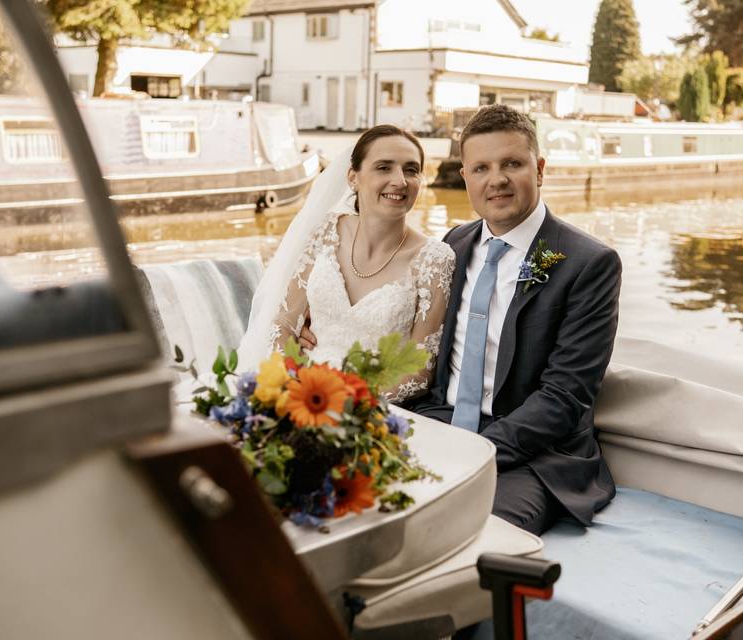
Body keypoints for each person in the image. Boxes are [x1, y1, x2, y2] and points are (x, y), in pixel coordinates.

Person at [405, 104, 622, 535]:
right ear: (465, 177)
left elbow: (565, 396)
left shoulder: (589, 263)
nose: (497, 180)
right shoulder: (454, 242)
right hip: (443, 422)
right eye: (481, 167)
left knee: (471, 532)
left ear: (539, 169)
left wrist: (474, 450)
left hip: (536, 454)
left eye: (512, 164)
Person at [238, 125, 455, 402]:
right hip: (302, 392)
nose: (400, 180)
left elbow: (418, 372)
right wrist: (295, 382)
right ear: (353, 177)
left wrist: (348, 406)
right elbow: (283, 323)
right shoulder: (325, 231)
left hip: (373, 411)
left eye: (411, 170)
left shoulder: (435, 260)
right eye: (384, 168)